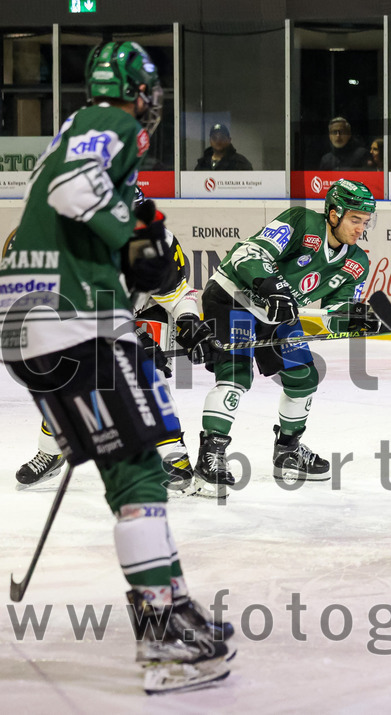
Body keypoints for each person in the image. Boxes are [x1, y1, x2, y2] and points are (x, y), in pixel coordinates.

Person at [0, 40, 232, 694]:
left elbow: (43, 224)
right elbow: (80, 194)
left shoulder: (73, 130)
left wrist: (137, 244)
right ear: (141, 92)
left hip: (34, 329)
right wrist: (127, 232)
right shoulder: (112, 123)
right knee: (141, 465)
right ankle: (166, 631)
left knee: (129, 466)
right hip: (72, 324)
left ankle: (168, 612)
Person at [15, 188, 219, 494]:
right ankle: (52, 450)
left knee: (147, 375)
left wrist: (189, 321)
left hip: (142, 309)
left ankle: (173, 457)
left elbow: (176, 294)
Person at [195, 179, 380, 493]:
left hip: (278, 313)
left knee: (303, 378)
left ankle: (288, 452)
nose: (360, 228)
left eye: (365, 222)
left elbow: (334, 315)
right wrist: (271, 287)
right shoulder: (301, 221)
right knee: (236, 375)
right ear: (333, 215)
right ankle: (211, 454)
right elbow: (248, 254)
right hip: (233, 297)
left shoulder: (356, 262)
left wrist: (353, 319)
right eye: (354, 220)